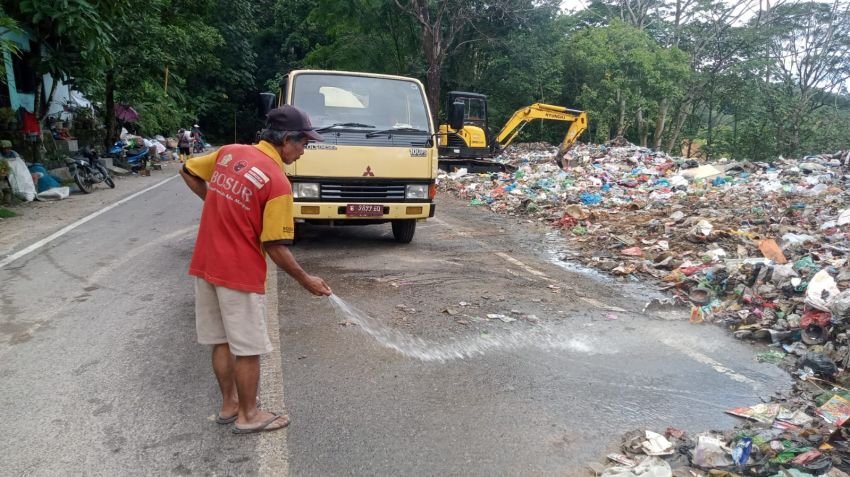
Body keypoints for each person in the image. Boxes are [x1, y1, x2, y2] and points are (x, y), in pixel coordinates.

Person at [180, 105, 332, 434]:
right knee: (248, 348)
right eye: (304, 143)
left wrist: (216, 203)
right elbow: (276, 246)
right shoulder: (277, 183)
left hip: (206, 262)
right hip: (239, 272)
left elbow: (189, 171)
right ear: (287, 140)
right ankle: (249, 415)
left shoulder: (229, 152)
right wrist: (307, 281)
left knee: (220, 341)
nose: (304, 150)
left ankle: (229, 405)